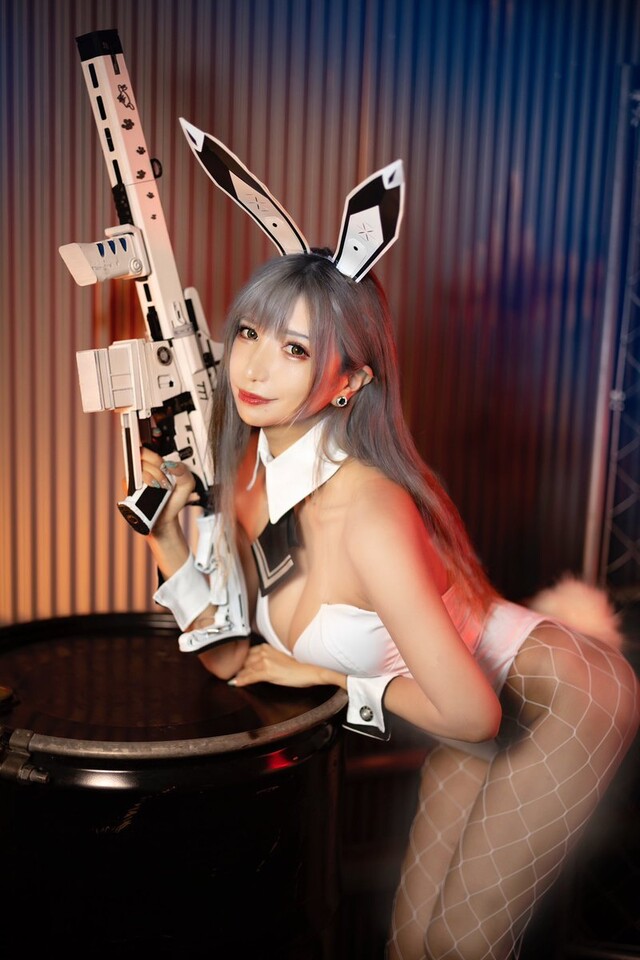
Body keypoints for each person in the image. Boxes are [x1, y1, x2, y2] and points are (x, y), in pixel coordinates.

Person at [133, 129, 639, 960]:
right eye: (251, 332)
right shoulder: (248, 477)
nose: (254, 368)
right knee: (413, 946)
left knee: (462, 947)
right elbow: (233, 659)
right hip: (467, 712)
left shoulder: (369, 509)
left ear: (352, 380)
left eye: (296, 349)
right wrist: (165, 541)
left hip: (558, 700)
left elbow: (473, 712)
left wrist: (336, 678)